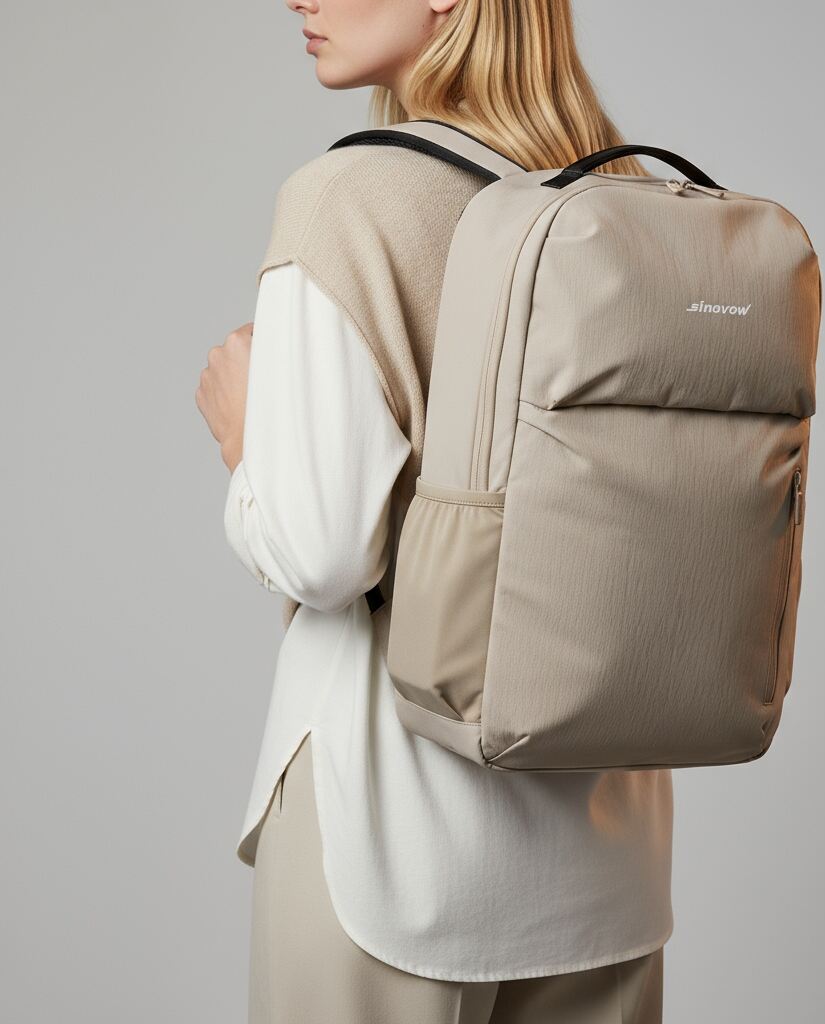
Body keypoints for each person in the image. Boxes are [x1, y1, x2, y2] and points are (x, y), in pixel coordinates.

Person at [196, 2, 673, 1021]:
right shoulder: (629, 205)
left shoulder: (350, 197)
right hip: (605, 854)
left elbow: (323, 553)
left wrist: (246, 447)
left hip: (392, 842)